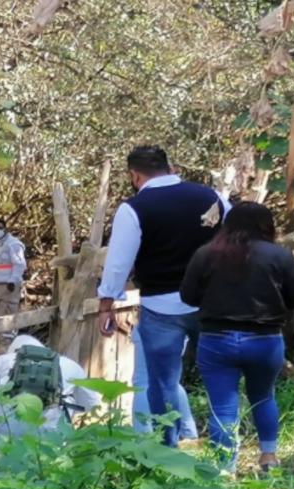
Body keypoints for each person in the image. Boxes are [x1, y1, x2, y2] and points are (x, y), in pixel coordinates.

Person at [97, 145, 227, 448]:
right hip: (211, 302)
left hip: (161, 307)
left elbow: (118, 263)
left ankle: (164, 450)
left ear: (134, 175)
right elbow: (237, 236)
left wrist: (106, 303)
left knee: (160, 382)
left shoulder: (134, 208)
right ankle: (224, 452)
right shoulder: (210, 197)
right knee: (220, 379)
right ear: (170, 168)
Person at [181, 202, 294, 473]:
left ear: (227, 224)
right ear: (266, 225)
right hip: (265, 340)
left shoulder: (206, 254)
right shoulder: (279, 256)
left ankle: (225, 470)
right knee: (264, 397)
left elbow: (187, 296)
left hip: (216, 340)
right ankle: (268, 457)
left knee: (222, 407)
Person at [0, 335, 100, 437]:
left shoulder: (5, 361)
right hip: (50, 434)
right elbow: (91, 404)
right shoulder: (70, 365)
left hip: (5, 430)